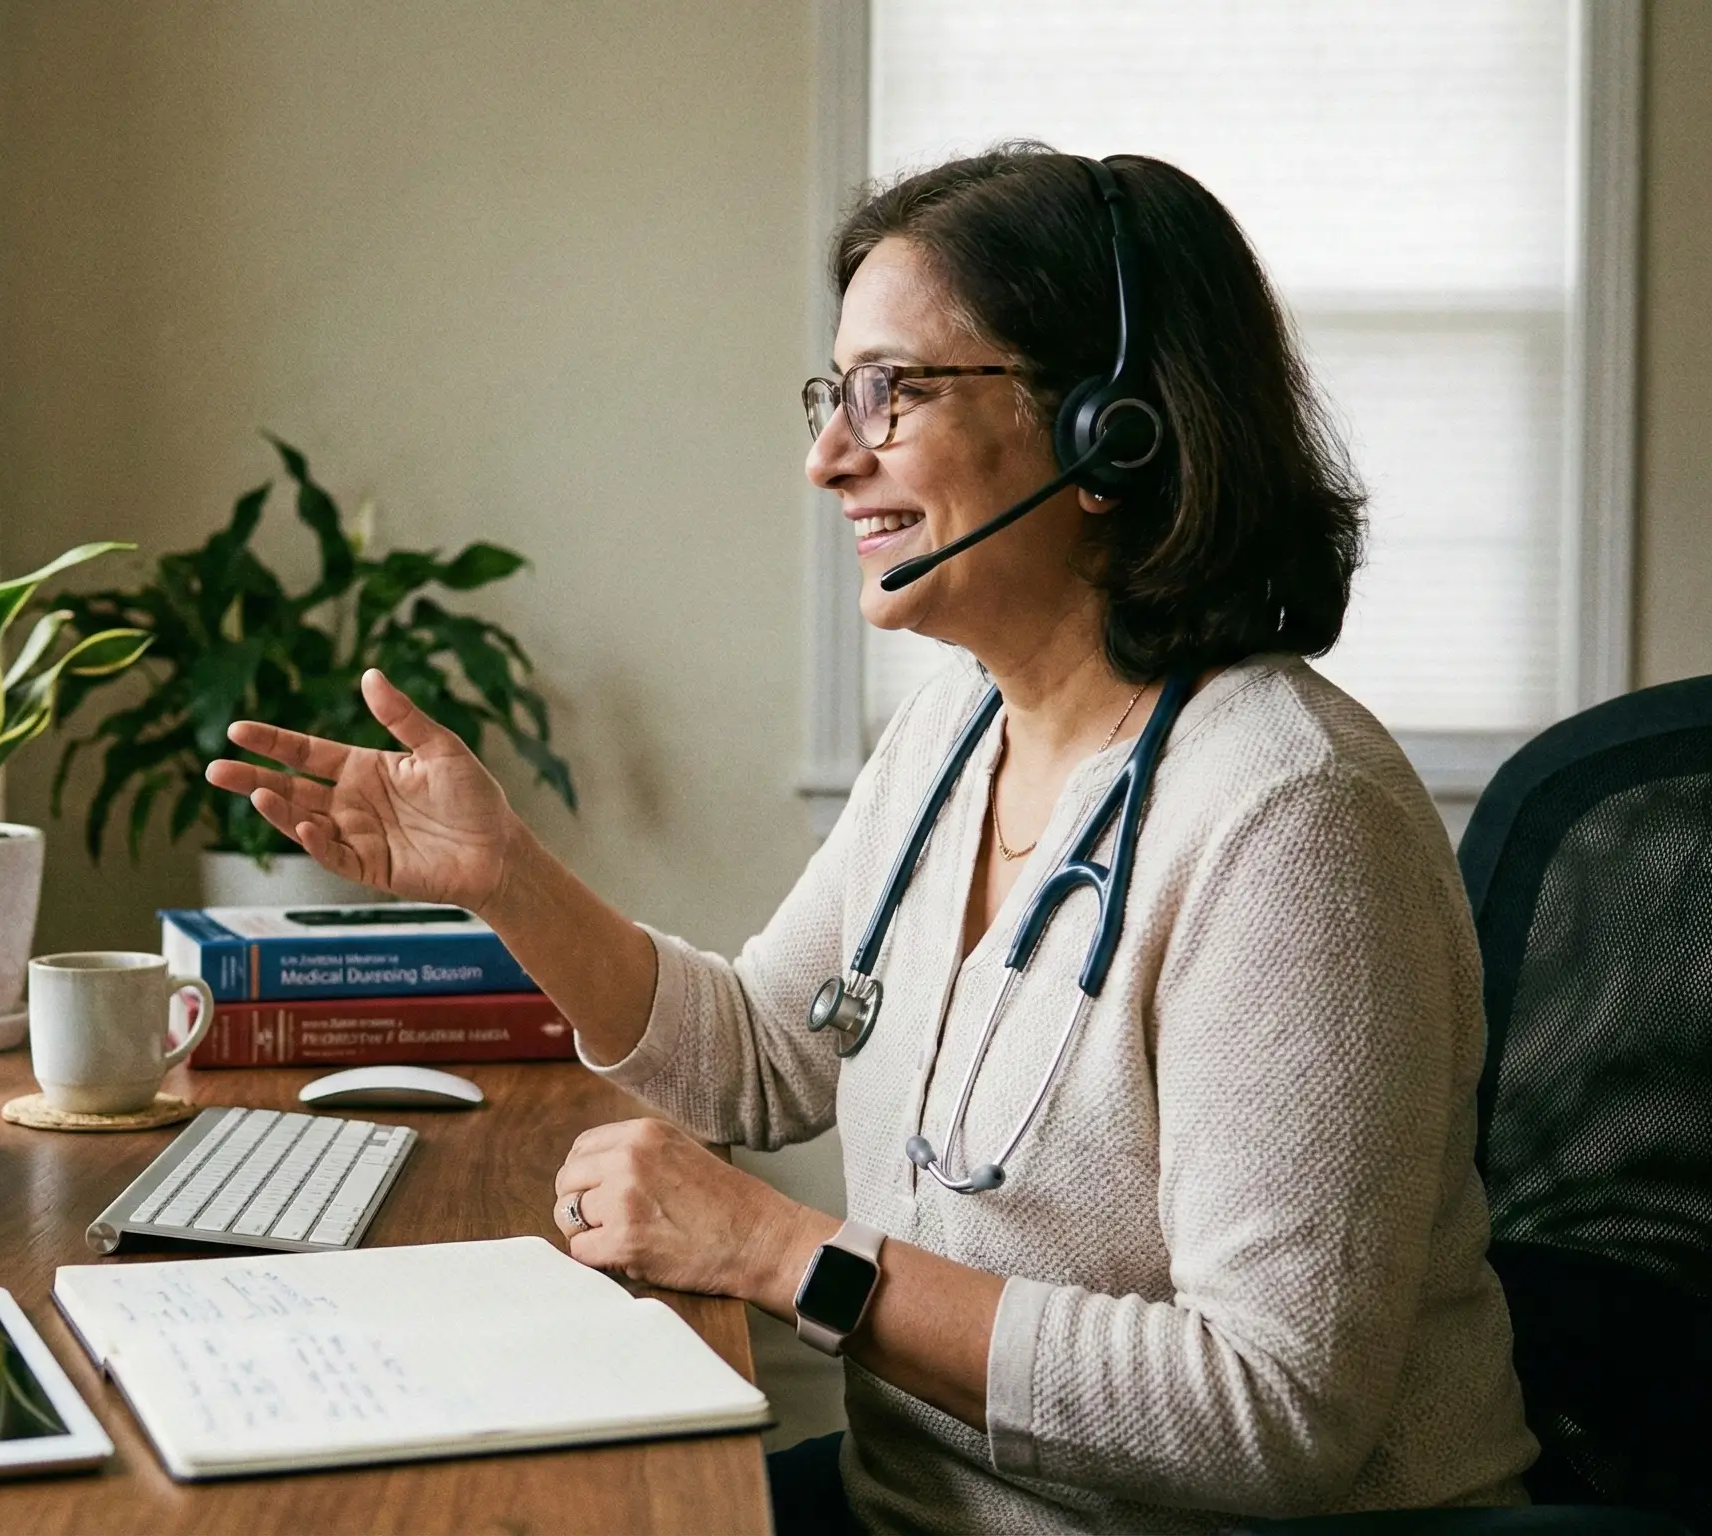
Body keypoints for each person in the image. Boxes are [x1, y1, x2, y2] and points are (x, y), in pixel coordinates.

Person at [204, 145, 1538, 1531]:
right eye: (831, 394)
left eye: (889, 392)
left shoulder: (1292, 816)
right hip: (915, 1507)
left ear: (1109, 434)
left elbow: (1273, 1410)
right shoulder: (956, 728)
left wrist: (783, 1254)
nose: (828, 457)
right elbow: (757, 1058)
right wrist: (504, 878)